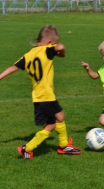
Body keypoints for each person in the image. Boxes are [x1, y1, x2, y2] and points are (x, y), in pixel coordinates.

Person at [0, 25, 81, 159]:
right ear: (49, 42)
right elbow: (60, 48)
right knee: (52, 124)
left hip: (44, 95)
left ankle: (64, 145)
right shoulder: (47, 50)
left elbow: (13, 67)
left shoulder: (29, 54)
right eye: (53, 42)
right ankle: (27, 148)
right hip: (44, 96)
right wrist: (61, 51)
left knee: (60, 116)